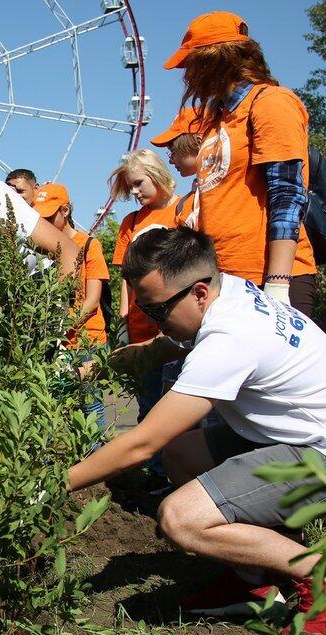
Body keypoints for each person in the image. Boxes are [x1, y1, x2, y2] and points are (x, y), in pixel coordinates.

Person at [68, 227, 326, 635]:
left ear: (199, 292)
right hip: (318, 434)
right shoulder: (234, 293)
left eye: (155, 310)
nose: (151, 320)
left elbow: (141, 443)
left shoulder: (229, 340)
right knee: (181, 453)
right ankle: (252, 582)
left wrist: (55, 483)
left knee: (180, 519)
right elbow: (164, 347)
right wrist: (92, 368)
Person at [164, 11, 320, 316]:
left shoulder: (271, 102)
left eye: (191, 64)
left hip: (268, 280)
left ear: (216, 59)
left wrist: (277, 284)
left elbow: (287, 194)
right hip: (225, 281)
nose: (187, 76)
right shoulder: (218, 122)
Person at [107, 150, 183, 491]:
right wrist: (124, 318)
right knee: (149, 402)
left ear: (156, 174)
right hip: (141, 324)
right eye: (130, 187)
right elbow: (126, 274)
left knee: (179, 402)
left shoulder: (183, 210)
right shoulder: (130, 223)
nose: (135, 192)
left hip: (176, 325)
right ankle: (155, 473)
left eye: (138, 183)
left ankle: (183, 473)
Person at [31, 183, 109, 426]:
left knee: (90, 404)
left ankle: (97, 459)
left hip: (87, 340)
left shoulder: (89, 245)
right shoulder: (41, 249)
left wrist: (61, 330)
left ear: (65, 211)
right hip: (56, 342)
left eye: (49, 215)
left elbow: (92, 300)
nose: (43, 221)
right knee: (53, 406)